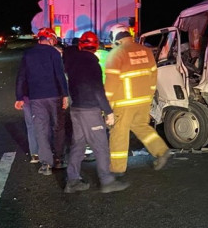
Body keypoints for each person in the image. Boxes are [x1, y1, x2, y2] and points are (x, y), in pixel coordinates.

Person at [62, 31, 129, 193]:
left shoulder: (72, 62)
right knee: (100, 146)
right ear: (96, 46)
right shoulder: (92, 64)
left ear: (80, 45)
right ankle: (107, 181)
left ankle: (72, 181)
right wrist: (108, 112)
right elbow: (98, 90)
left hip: (76, 108)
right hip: (89, 111)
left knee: (78, 145)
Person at [104, 24, 171, 175]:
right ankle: (161, 151)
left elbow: (111, 84)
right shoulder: (146, 51)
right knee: (141, 126)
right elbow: (153, 76)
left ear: (115, 38)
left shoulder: (116, 53)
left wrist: (106, 106)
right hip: (144, 101)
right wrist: (149, 96)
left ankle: (116, 169)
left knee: (119, 133)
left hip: (124, 102)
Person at [14, 28, 69, 176]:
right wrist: (65, 95)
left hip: (36, 98)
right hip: (54, 96)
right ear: (50, 39)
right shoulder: (54, 53)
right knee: (58, 127)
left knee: (41, 129)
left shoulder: (28, 54)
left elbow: (21, 77)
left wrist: (19, 97)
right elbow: (60, 74)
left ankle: (46, 164)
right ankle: (58, 160)